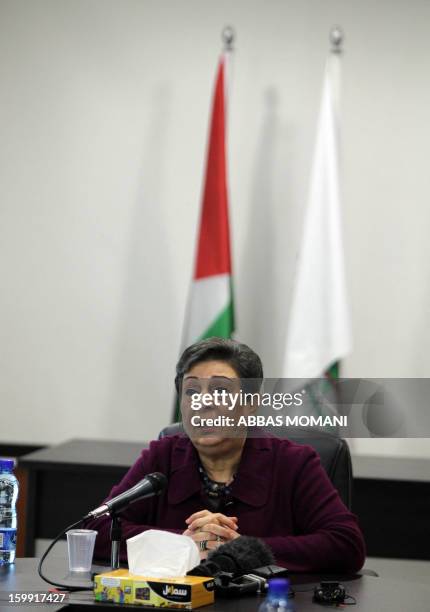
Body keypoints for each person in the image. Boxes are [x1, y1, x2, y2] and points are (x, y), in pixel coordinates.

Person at [87, 338, 365, 572]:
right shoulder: (163, 455)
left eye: (220, 391)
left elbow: (345, 544)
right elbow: (96, 529)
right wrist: (185, 544)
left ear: (250, 404)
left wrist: (243, 549)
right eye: (192, 391)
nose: (203, 403)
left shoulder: (293, 463)